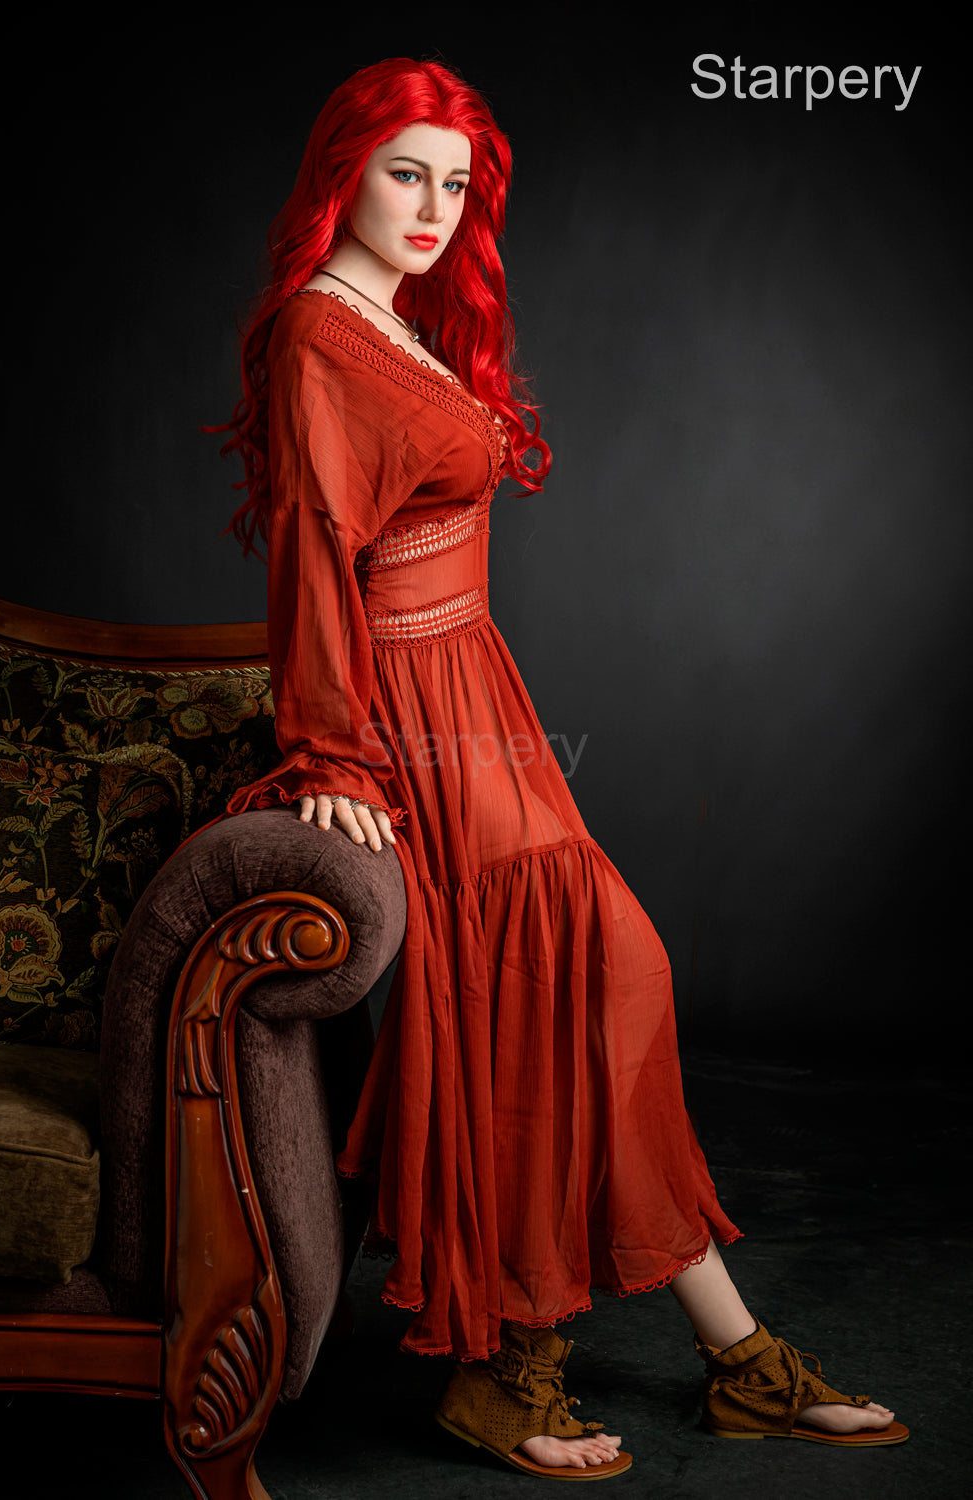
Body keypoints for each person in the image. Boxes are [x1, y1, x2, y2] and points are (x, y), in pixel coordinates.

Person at [218, 56, 907, 1480]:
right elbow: (315, 550)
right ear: (343, 172)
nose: (432, 207)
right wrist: (330, 748)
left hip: (481, 687)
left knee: (579, 991)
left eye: (455, 184)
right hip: (414, 711)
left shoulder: (392, 321)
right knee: (566, 985)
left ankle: (725, 1358)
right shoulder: (316, 334)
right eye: (405, 173)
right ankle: (523, 1365)